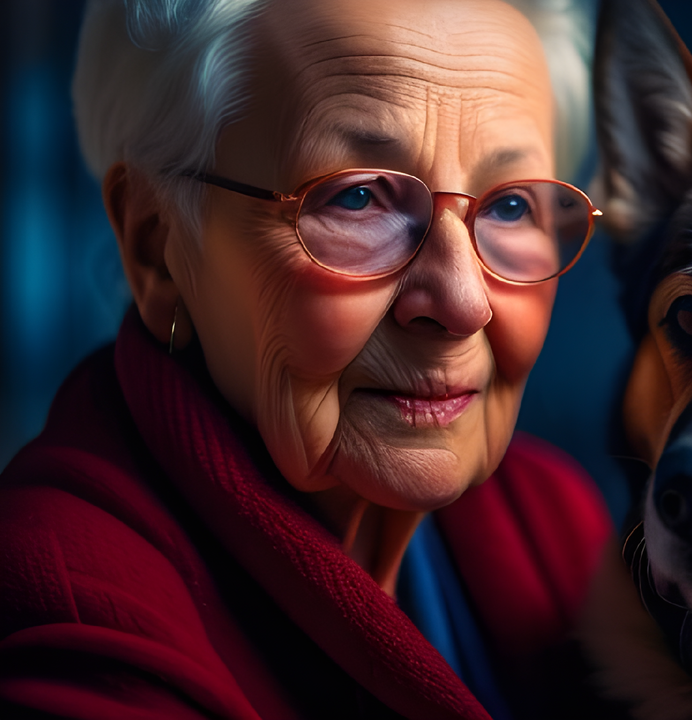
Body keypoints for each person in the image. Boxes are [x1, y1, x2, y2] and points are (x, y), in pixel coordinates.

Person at [0, 0, 612, 717]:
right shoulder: (68, 612)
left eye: (510, 207)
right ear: (157, 248)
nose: (463, 302)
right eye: (357, 198)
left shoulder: (555, 522)